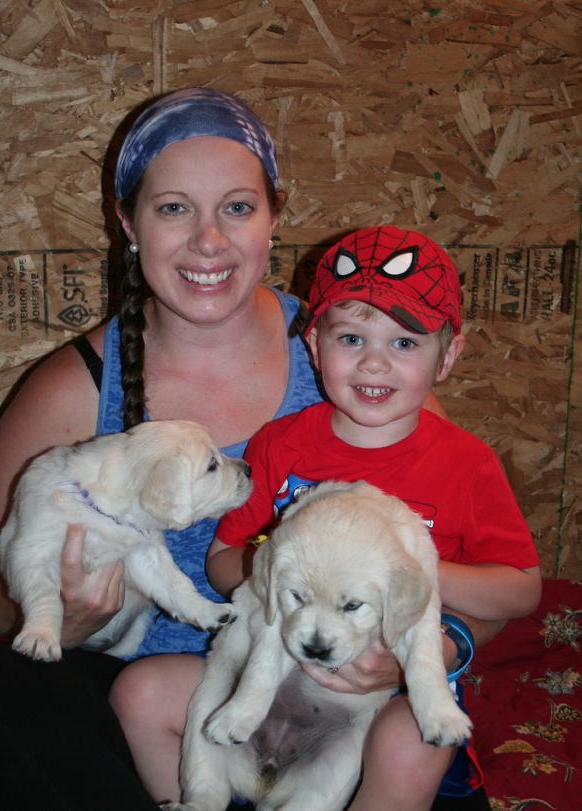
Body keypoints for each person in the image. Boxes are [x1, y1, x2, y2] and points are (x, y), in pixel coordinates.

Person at [0, 86, 485, 811]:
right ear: (127, 222)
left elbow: (457, 559)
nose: (208, 240)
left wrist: (427, 650)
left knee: (408, 747)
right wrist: (57, 617)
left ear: (273, 219)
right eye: (172, 208)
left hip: (332, 685)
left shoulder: (357, 363)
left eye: (236, 206)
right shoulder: (75, 388)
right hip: (145, 698)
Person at [109, 226, 541, 811]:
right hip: (265, 663)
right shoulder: (280, 445)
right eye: (351, 338)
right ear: (314, 344)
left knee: (414, 744)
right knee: (141, 692)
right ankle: (198, 797)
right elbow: (219, 565)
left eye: (406, 344)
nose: (375, 364)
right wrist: (275, 562)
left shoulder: (467, 464)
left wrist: (410, 570)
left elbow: (521, 590)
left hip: (376, 695)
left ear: (449, 356)